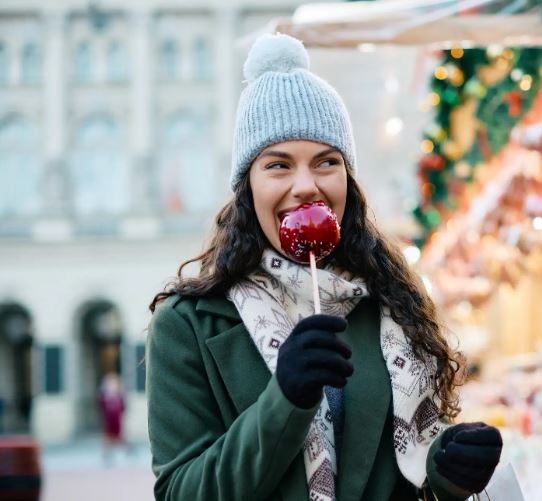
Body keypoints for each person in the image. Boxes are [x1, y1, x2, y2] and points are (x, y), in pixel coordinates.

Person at [146, 34, 503, 501]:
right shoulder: (186, 325)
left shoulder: (389, 302)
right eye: (277, 166)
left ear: (347, 181)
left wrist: (447, 470)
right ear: (247, 187)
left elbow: (404, 476)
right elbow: (180, 492)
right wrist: (285, 401)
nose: (305, 186)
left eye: (326, 162)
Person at [97, 372, 126, 463]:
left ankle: (129, 449)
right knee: (108, 437)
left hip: (116, 418)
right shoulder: (105, 396)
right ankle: (107, 454)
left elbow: (123, 407)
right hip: (109, 419)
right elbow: (101, 405)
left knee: (119, 437)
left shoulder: (119, 395)